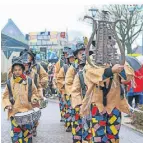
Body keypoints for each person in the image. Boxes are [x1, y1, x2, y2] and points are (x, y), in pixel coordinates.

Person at [2, 57, 39, 143]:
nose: (17, 71)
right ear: (12, 71)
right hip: (14, 113)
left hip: (27, 112)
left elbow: (34, 93)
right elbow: (5, 96)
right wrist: (7, 104)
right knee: (16, 136)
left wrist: (34, 99)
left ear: (22, 70)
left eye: (19, 69)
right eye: (15, 70)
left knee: (27, 136)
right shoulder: (9, 82)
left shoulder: (29, 81)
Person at [54, 47, 71, 123]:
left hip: (70, 87)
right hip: (61, 85)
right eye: (65, 53)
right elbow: (56, 74)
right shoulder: (60, 63)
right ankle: (63, 116)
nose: (67, 54)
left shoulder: (72, 62)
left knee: (68, 105)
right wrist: (60, 84)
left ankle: (68, 120)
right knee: (62, 103)